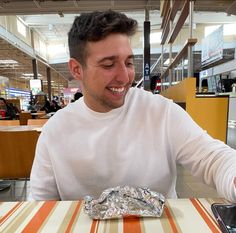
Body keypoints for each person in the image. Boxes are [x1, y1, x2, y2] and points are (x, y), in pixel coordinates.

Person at [30, 10, 236, 202]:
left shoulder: (161, 112)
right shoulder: (55, 131)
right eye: (108, 65)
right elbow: (39, 206)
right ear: (77, 69)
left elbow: (213, 158)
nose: (124, 77)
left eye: (128, 63)